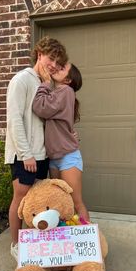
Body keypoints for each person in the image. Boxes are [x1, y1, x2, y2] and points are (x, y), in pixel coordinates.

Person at [5, 36, 68, 261]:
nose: (53, 65)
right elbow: (14, 120)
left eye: (58, 63)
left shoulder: (47, 84)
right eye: (51, 58)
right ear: (39, 54)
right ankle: (15, 244)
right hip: (26, 156)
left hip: (42, 155)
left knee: (39, 203)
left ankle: (34, 243)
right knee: (20, 200)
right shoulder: (22, 79)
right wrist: (26, 155)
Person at [32, 61, 90, 223]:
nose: (57, 67)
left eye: (63, 68)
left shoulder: (66, 90)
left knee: (76, 203)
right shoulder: (58, 92)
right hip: (54, 158)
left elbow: (41, 108)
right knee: (61, 204)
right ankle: (67, 241)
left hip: (68, 157)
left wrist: (44, 83)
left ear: (67, 80)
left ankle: (88, 243)